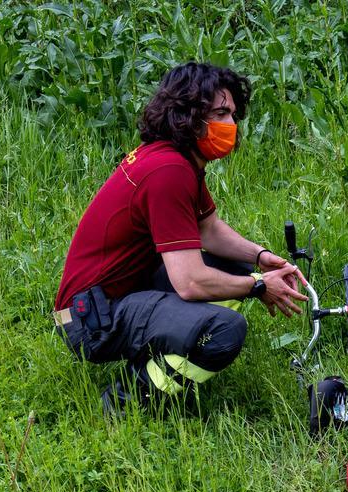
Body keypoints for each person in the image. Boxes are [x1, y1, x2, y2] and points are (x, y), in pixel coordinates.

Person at [53, 62, 307, 417]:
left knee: (233, 267)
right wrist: (259, 285)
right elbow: (190, 282)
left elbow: (208, 230)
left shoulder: (175, 159)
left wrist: (259, 257)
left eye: (233, 115)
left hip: (110, 298)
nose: (231, 125)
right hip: (89, 320)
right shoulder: (169, 172)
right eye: (220, 114)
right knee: (226, 330)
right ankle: (127, 403)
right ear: (188, 114)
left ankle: (167, 344)